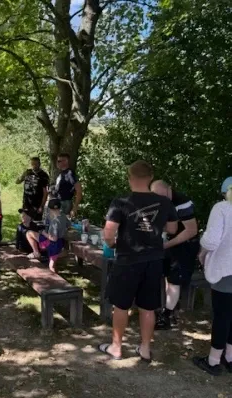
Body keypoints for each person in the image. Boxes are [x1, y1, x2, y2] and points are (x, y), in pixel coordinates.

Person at [99, 160, 178, 362]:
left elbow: (108, 233)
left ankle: (116, 348)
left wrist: (113, 244)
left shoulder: (121, 201)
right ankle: (145, 349)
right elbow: (172, 229)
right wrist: (153, 226)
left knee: (121, 306)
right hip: (153, 260)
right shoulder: (164, 202)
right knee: (148, 307)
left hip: (127, 260)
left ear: (130, 177)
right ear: (151, 177)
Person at [193, 177, 232, 376]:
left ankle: (213, 361)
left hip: (226, 269)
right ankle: (230, 358)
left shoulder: (222, 208)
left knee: (222, 316)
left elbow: (211, 241)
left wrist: (202, 253)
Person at [151, 180, 199, 330]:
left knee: (175, 281)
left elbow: (191, 230)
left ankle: (166, 317)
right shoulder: (161, 202)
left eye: (162, 195)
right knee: (169, 278)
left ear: (169, 189)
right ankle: (170, 310)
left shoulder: (183, 203)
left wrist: (166, 245)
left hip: (185, 245)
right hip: (171, 244)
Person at [25, 199, 68, 272]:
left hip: (53, 244)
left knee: (51, 267)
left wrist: (43, 233)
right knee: (52, 265)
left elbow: (54, 238)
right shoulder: (63, 216)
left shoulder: (55, 222)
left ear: (50, 209)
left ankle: (37, 253)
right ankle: (38, 253)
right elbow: (68, 225)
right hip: (60, 242)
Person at [16, 157, 49, 221]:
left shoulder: (43, 175)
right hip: (26, 203)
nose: (34, 166)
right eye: (32, 164)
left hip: (37, 204)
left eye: (36, 164)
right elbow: (17, 182)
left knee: (35, 223)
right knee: (25, 221)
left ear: (39, 164)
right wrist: (22, 175)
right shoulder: (28, 172)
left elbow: (45, 192)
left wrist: (41, 206)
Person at [52, 153, 82, 218]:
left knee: (62, 222)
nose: (57, 163)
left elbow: (79, 190)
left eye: (59, 161)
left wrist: (75, 207)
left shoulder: (70, 173)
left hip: (65, 203)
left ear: (65, 161)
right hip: (58, 202)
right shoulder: (62, 174)